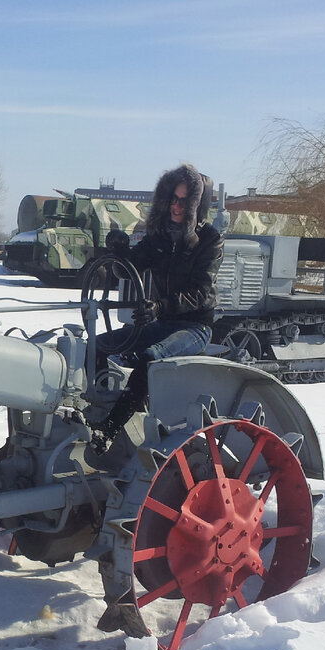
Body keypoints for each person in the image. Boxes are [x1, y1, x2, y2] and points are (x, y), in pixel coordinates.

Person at [90, 163, 223, 451]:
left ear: (197, 205)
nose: (176, 206)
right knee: (96, 346)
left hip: (194, 327)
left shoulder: (210, 241)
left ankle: (110, 429)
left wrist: (160, 308)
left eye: (184, 200)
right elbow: (130, 269)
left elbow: (201, 293)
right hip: (161, 321)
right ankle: (99, 409)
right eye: (172, 199)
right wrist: (120, 252)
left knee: (151, 357)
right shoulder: (160, 237)